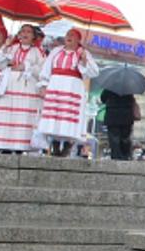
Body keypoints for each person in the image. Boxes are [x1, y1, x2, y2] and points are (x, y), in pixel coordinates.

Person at [37, 29, 99, 157]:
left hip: (73, 86)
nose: (69, 37)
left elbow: (94, 72)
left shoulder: (83, 53)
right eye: (67, 35)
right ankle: (54, 144)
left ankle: (67, 145)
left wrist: (84, 61)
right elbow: (47, 68)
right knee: (55, 114)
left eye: (72, 35)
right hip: (55, 85)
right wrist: (43, 84)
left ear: (78, 39)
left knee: (68, 114)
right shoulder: (56, 51)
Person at [0, 24, 46, 153]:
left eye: (29, 32)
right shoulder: (12, 48)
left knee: (23, 115)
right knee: (7, 114)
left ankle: (20, 146)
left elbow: (43, 70)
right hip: (9, 86)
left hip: (27, 87)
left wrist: (26, 66)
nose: (25, 34)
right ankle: (4, 144)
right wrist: (5, 49)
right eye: (23, 31)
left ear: (33, 36)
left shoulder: (38, 51)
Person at [100, 88, 136, 160]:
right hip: (126, 116)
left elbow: (103, 99)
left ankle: (116, 156)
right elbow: (132, 101)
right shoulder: (128, 87)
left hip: (112, 116)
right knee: (125, 138)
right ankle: (125, 156)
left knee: (114, 138)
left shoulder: (110, 87)